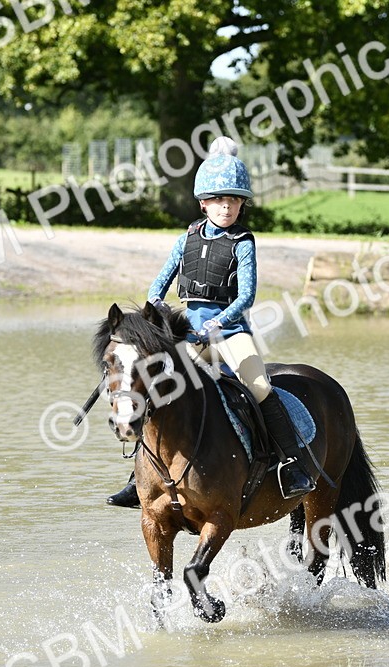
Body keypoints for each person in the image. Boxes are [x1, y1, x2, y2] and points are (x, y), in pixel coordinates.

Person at [107, 136, 316, 508]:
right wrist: (153, 306)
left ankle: (292, 466)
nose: (227, 206)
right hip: (189, 334)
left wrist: (219, 322)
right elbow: (161, 282)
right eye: (219, 200)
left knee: (260, 388)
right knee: (156, 388)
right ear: (204, 203)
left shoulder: (243, 242)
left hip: (231, 333)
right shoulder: (187, 237)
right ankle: (136, 478)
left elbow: (246, 297)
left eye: (234, 200)